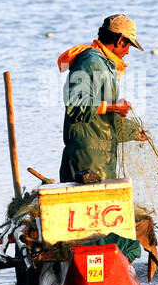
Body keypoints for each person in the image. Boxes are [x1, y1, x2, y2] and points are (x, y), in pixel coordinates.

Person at [57, 14, 150, 184]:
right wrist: (114, 107)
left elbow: (103, 122)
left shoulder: (105, 65)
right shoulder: (91, 61)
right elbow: (75, 104)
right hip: (86, 164)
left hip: (102, 161)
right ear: (120, 40)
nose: (128, 51)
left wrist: (135, 132)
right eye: (128, 45)